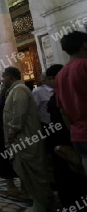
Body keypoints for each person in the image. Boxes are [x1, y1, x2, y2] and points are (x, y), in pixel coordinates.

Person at [2, 66, 53, 211]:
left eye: (3, 77)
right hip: (22, 138)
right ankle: (41, 201)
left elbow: (18, 114)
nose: (2, 80)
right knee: (28, 173)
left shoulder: (19, 90)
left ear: (10, 77)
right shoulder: (15, 90)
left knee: (33, 172)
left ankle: (41, 203)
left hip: (25, 138)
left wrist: (12, 132)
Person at [46, 63, 87, 207]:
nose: (49, 82)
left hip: (69, 138)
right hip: (64, 138)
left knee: (72, 176)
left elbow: (65, 115)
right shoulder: (60, 93)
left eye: (51, 78)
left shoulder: (65, 92)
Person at [54, 31, 87, 175]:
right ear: (85, 45)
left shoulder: (60, 75)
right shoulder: (84, 65)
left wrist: (73, 130)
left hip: (77, 136)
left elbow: (63, 111)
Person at [0, 83, 19, 195]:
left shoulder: (5, 102)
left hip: (4, 136)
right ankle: (10, 185)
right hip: (3, 137)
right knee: (7, 161)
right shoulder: (1, 104)